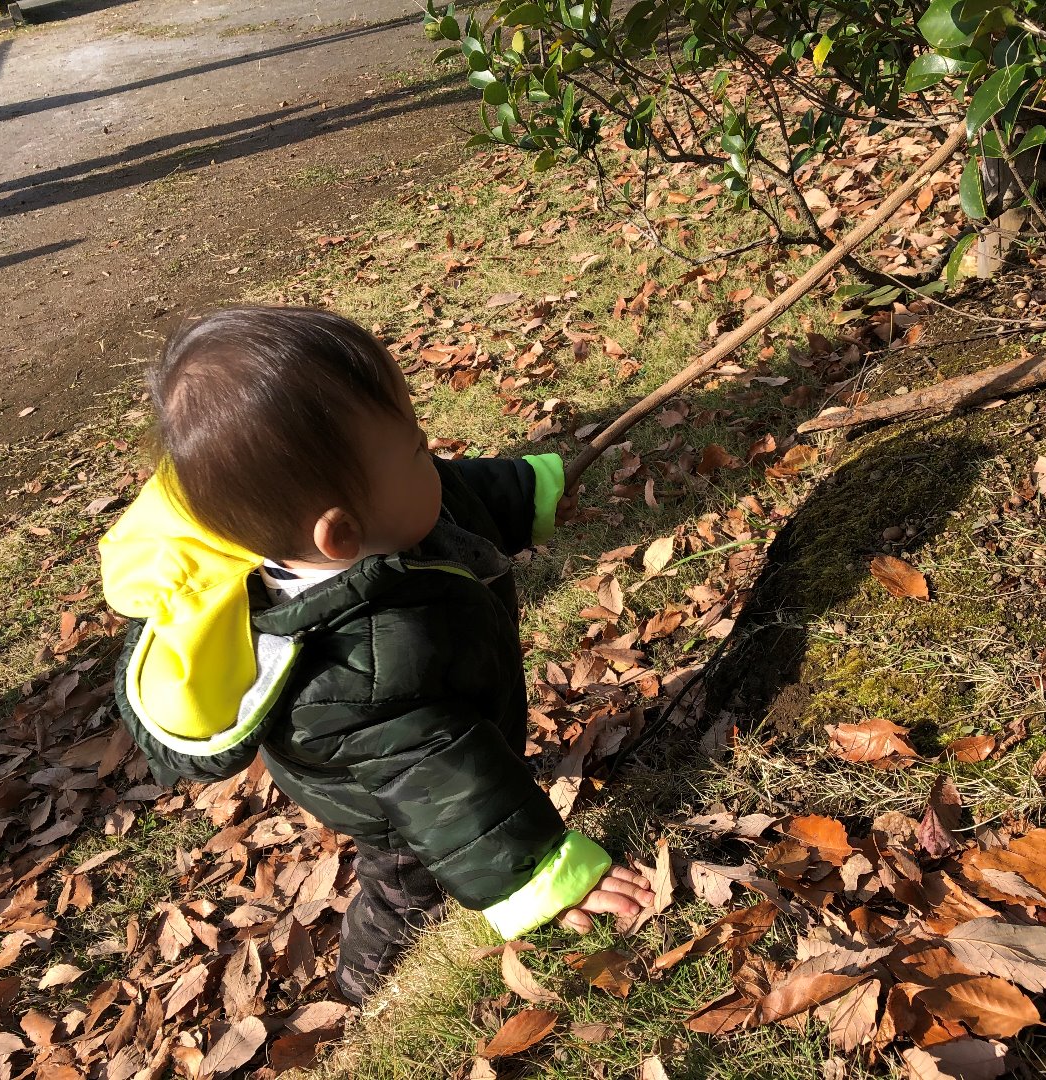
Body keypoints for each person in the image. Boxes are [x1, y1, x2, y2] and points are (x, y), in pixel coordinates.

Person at [98, 306, 653, 1006]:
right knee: (403, 892)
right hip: (389, 802)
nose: (433, 456)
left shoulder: (383, 516)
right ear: (338, 535)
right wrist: (543, 875)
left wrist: (531, 492)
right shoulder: (355, 671)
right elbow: (441, 778)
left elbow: (455, 496)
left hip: (441, 722)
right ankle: (365, 988)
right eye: (418, 448)